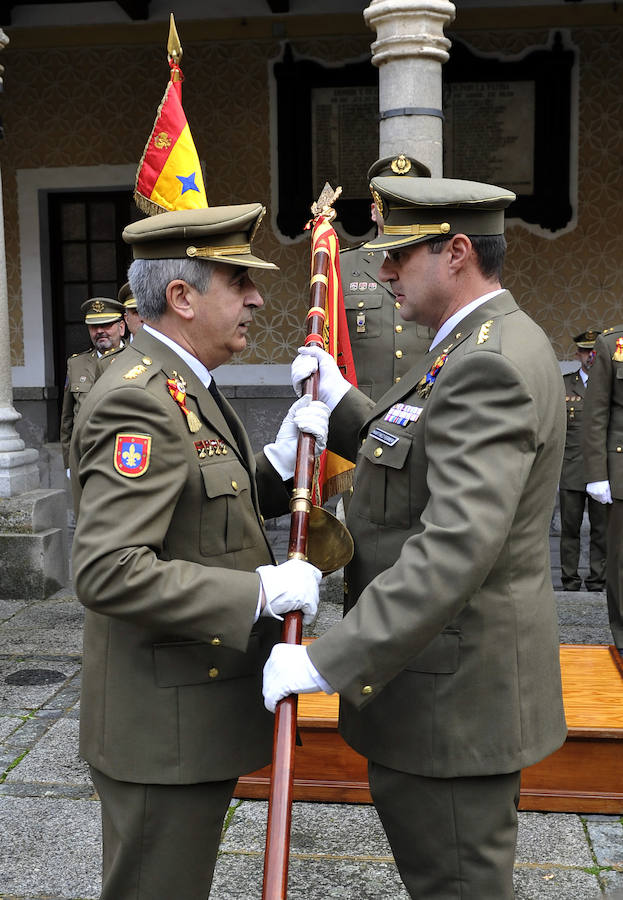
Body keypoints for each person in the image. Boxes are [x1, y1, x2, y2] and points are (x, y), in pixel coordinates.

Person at [264, 175, 567, 898]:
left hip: (450, 701)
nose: (385, 270)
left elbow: (454, 544)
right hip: (437, 685)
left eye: (401, 254)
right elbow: (420, 451)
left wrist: (326, 660)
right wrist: (344, 407)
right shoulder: (473, 343)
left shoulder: (485, 362)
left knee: (455, 885)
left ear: (457, 252)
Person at [69, 203, 330, 900]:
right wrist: (260, 593)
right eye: (235, 281)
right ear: (181, 296)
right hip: (160, 734)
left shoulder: (185, 382)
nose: (255, 298)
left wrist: (278, 462)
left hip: (191, 715)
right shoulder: (142, 399)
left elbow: (209, 503)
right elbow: (107, 570)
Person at [341, 154, 434, 402]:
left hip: (423, 405)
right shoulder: (342, 265)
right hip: (361, 410)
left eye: (406, 201)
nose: (398, 209)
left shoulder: (438, 264)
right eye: (389, 200)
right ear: (373, 211)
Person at [582, 324, 623, 653]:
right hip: (621, 471)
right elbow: (595, 413)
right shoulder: (612, 344)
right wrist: (597, 473)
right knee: (621, 562)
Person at [559, 329, 607, 591]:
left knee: (602, 529)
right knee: (570, 529)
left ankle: (598, 580)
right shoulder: (564, 384)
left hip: (602, 470)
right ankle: (569, 580)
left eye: (595, 352)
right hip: (571, 467)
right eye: (587, 351)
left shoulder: (613, 385)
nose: (591, 356)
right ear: (577, 355)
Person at [59, 297, 125, 468]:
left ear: (122, 327)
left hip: (125, 455)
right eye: (94, 327)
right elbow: (67, 421)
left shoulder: (136, 360)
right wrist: (69, 463)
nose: (100, 331)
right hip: (87, 457)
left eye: (107, 325)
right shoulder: (76, 364)